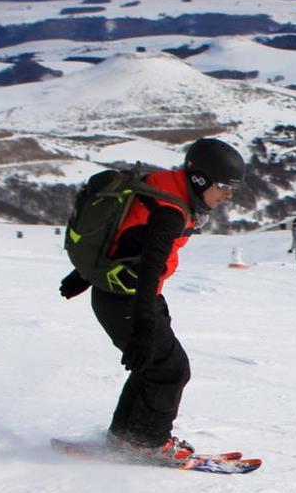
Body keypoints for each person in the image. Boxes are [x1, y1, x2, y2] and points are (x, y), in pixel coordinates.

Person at [58, 137, 245, 462]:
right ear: (200, 180)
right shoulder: (170, 213)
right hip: (128, 301)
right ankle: (147, 441)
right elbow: (149, 266)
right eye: (224, 187)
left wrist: (86, 275)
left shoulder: (160, 186)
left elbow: (123, 234)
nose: (228, 195)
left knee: (153, 367)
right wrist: (144, 326)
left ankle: (126, 436)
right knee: (171, 369)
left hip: (122, 295)